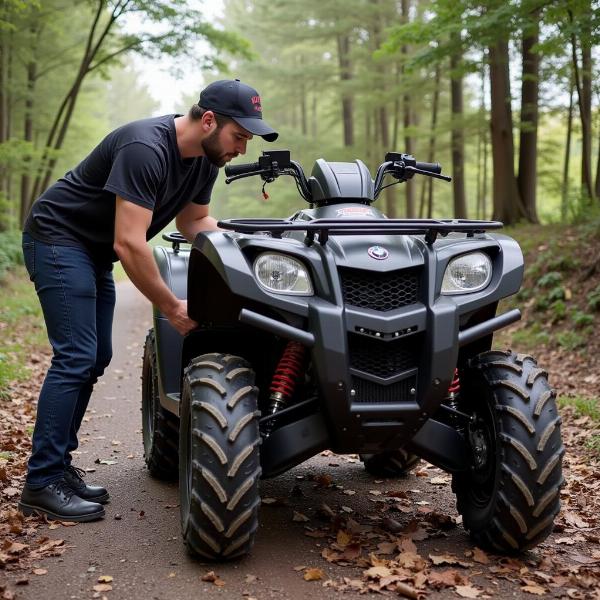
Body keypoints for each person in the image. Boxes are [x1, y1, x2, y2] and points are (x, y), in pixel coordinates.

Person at [18, 79, 278, 522]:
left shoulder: (204, 162)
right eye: (239, 136)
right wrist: (173, 306)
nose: (242, 148)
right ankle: (41, 483)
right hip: (58, 239)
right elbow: (129, 244)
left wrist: (251, 243)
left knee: (95, 355)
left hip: (91, 251)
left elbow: (195, 221)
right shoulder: (145, 147)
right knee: (77, 356)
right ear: (209, 120)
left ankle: (58, 468)